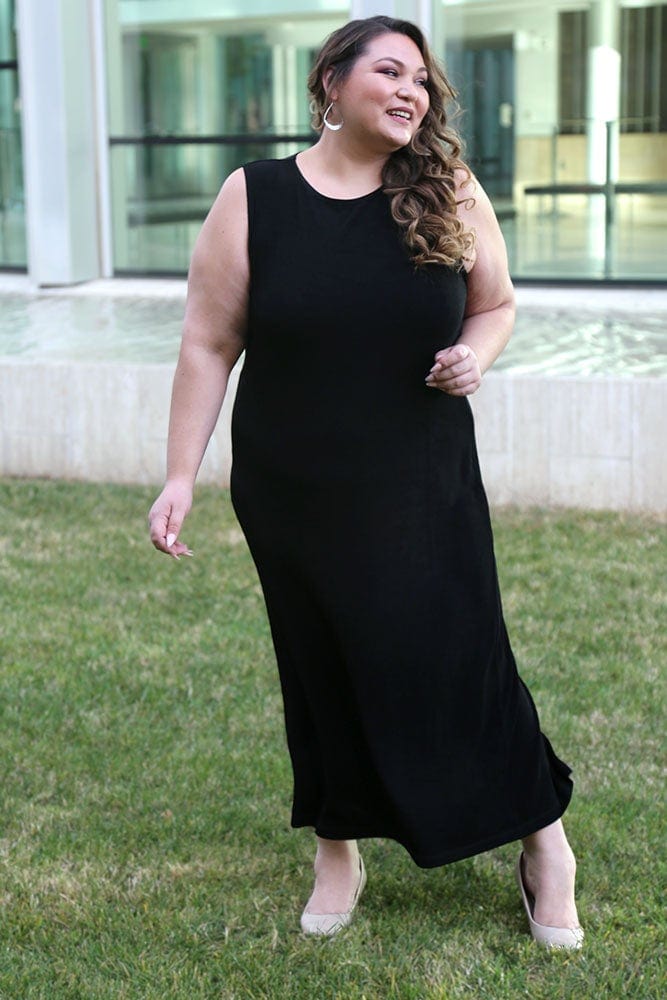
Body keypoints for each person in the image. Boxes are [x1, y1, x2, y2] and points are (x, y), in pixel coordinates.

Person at [148, 15, 584, 949]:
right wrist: (179, 472)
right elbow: (207, 340)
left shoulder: (446, 188)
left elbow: (495, 303)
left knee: (458, 655)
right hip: (294, 483)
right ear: (332, 83)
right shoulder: (255, 195)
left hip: (422, 478)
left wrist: (475, 353)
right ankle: (336, 850)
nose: (410, 93)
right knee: (322, 660)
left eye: (421, 82)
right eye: (388, 71)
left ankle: (544, 840)